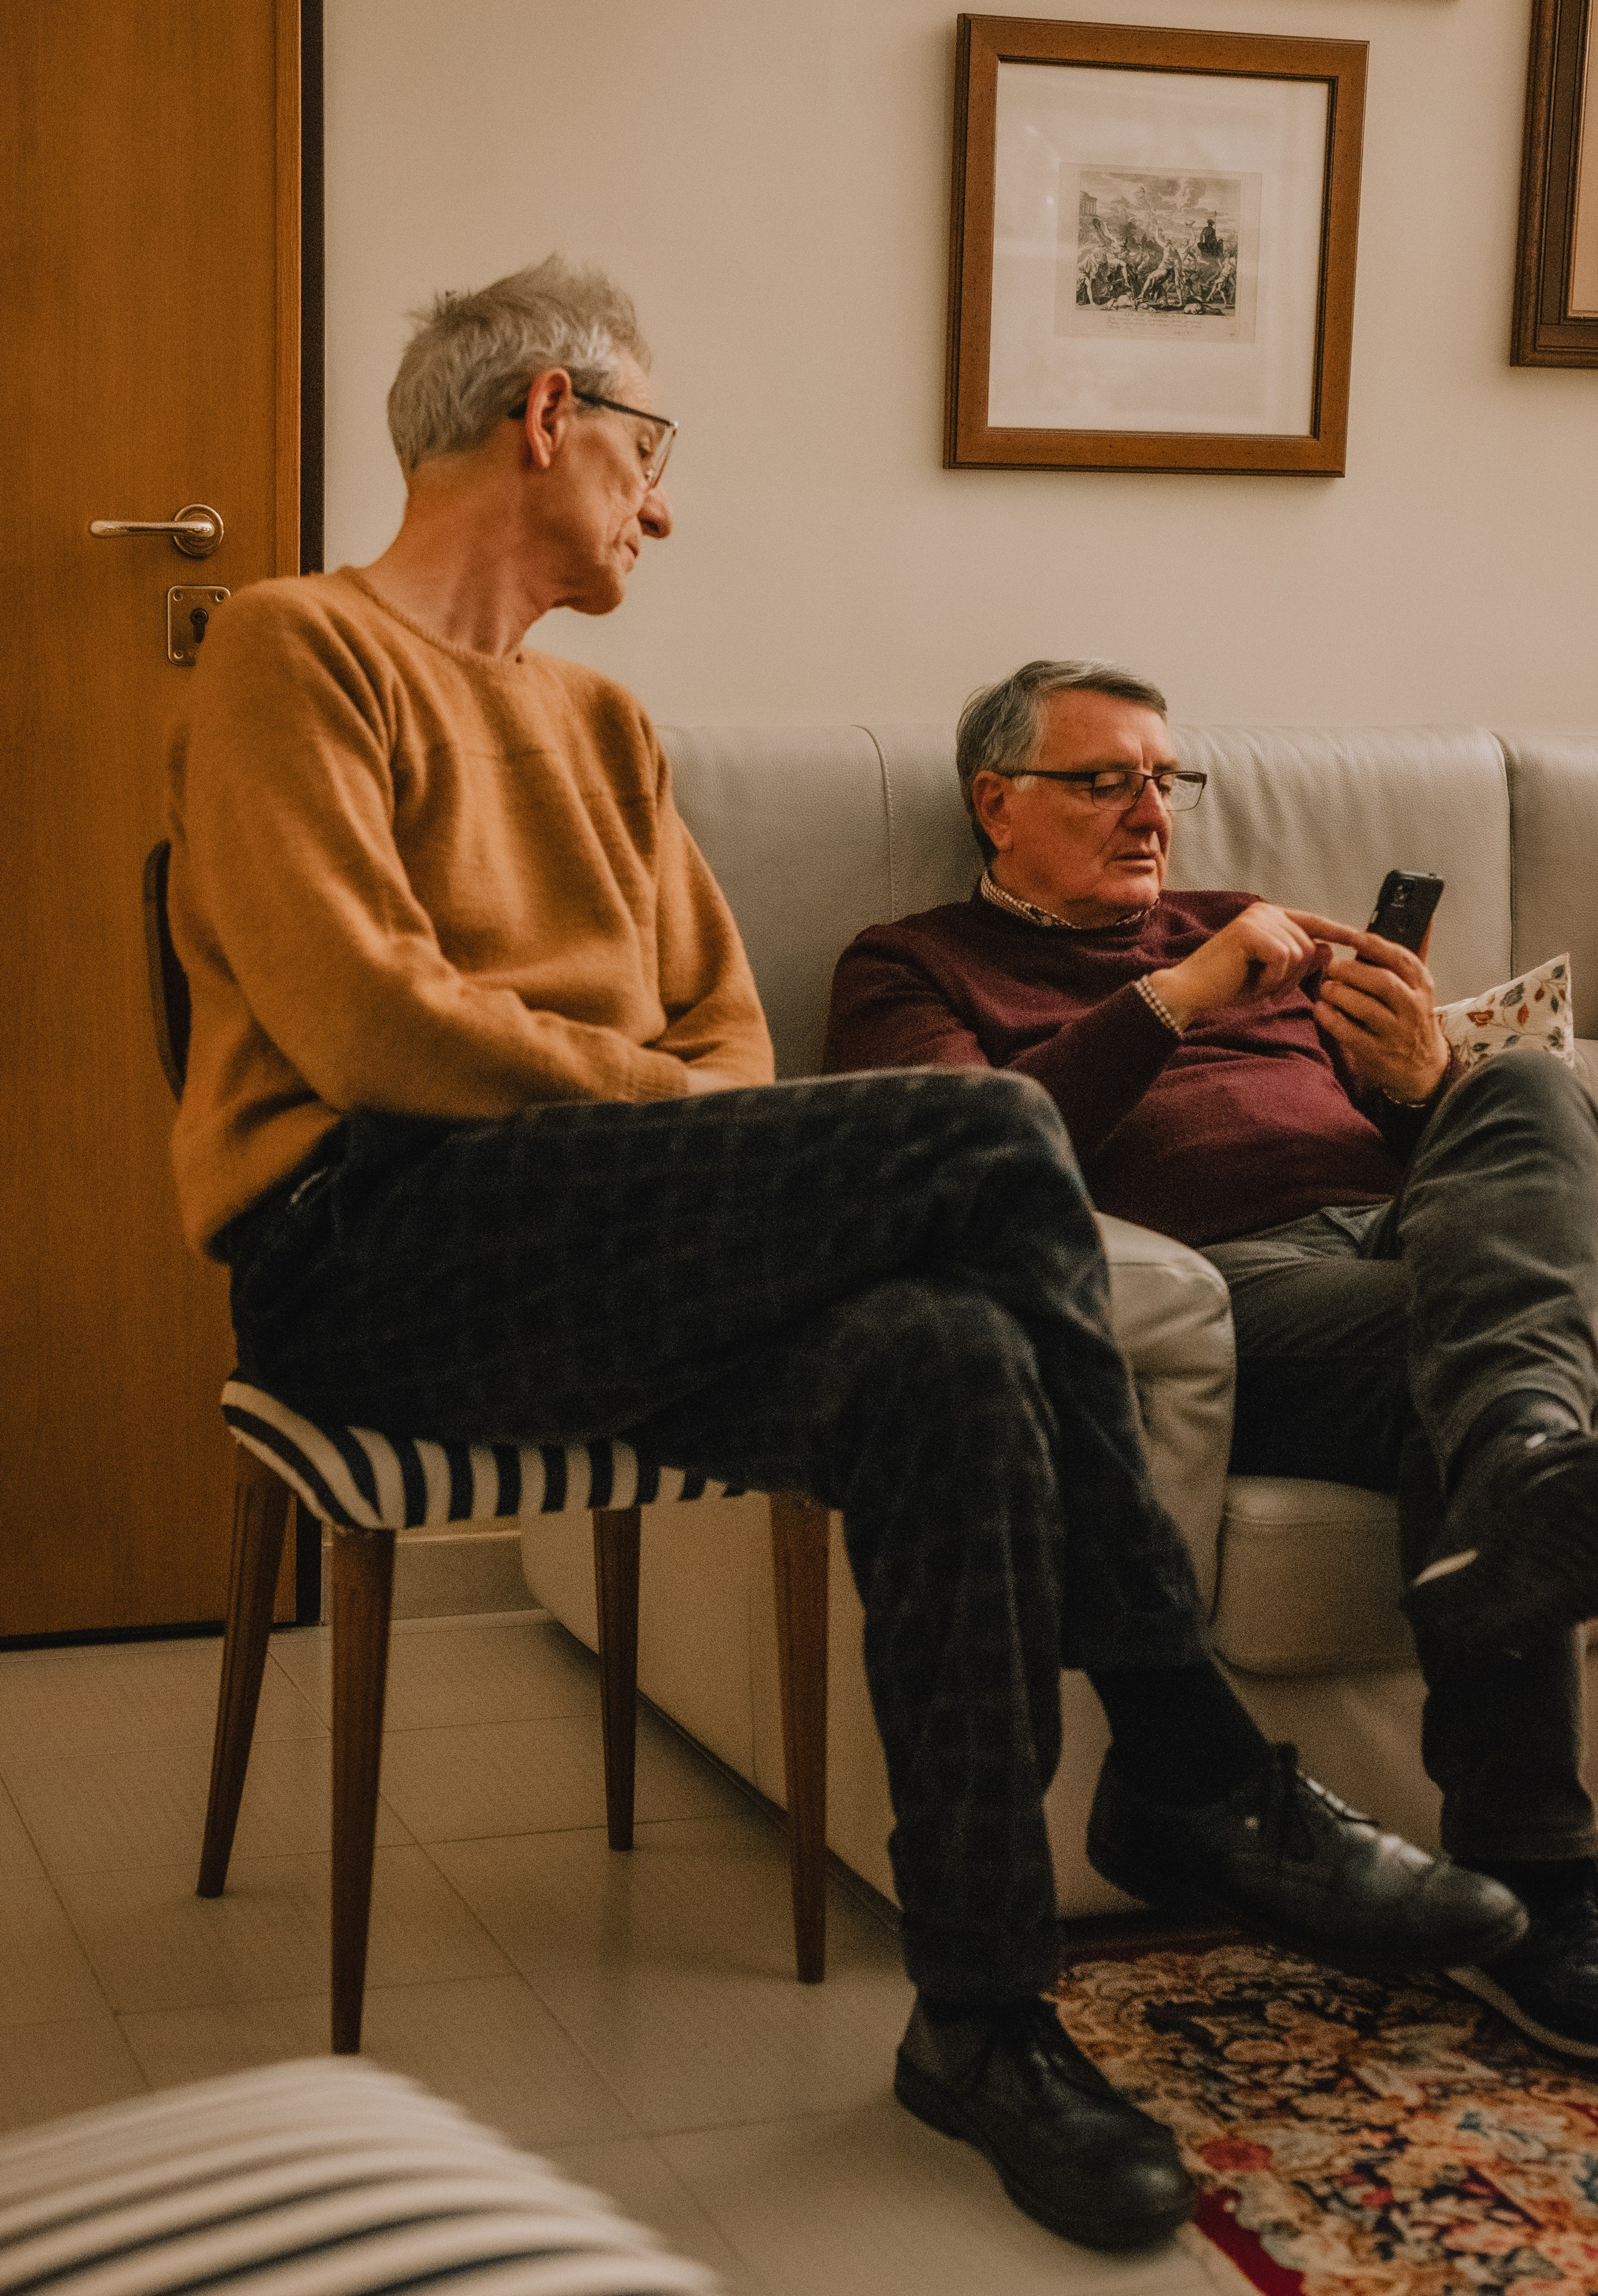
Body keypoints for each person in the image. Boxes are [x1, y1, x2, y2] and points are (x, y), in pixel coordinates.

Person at [166, 273, 1522, 2256]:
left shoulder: (610, 726)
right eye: (654, 456)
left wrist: (666, 1119)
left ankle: (982, 2016)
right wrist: (660, 1110)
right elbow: (371, 1028)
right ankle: (1188, 1746)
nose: (665, 508)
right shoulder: (297, 648)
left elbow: (722, 1043)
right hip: (368, 1245)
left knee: (948, 1359)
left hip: (595, 1236)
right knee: (985, 1127)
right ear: (549, 415)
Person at [824, 654, 1598, 2068]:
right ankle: (1539, 1878)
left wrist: (1417, 1084)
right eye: (1102, 779)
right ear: (994, 803)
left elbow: (1464, 1179)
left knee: (1530, 1088)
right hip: (1228, 1292)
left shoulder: (1258, 936)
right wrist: (1174, 997)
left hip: (1404, 1241)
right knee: (1476, 1365)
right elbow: (959, 1161)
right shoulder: (910, 962)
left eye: (1163, 780)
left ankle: (1526, 1457)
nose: (1148, 812)